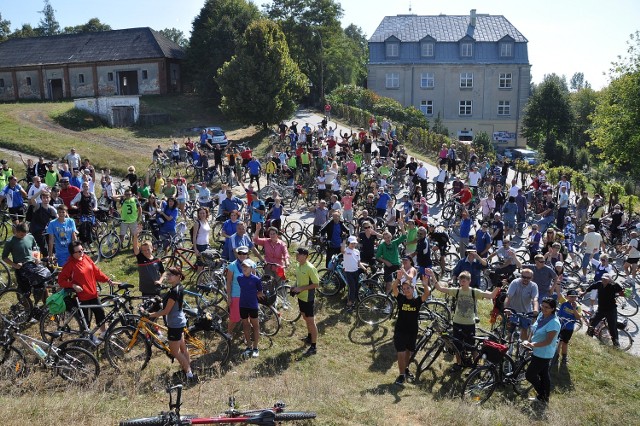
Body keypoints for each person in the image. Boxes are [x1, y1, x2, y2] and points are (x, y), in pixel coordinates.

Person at [433, 271, 500, 371]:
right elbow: (440, 288)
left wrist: (498, 286)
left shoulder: (474, 292)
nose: (462, 282)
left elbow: (491, 296)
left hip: (469, 324)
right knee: (457, 346)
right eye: (461, 280)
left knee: (472, 347)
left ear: (469, 281)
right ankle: (459, 364)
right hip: (457, 322)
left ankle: (476, 367)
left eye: (464, 280)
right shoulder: (457, 291)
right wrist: (432, 276)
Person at [145, 266, 196, 382]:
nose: (168, 276)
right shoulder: (177, 287)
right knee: (183, 348)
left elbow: (166, 311)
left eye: (171, 275)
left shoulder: (174, 292)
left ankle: (189, 374)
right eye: (168, 275)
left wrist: (149, 315)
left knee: (175, 352)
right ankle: (188, 369)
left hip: (175, 323)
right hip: (180, 320)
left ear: (178, 277)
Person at [58, 241, 115, 344]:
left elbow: (96, 272)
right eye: (78, 251)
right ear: (72, 253)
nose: (81, 253)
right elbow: (61, 281)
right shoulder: (69, 265)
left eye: (82, 250)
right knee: (85, 321)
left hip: (93, 293)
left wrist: (107, 279)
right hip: (81, 297)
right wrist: (73, 285)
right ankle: (87, 338)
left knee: (100, 313)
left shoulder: (86, 258)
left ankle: (103, 333)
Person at [392, 267, 432, 385]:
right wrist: (398, 280)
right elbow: (394, 288)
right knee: (401, 352)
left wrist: (425, 284)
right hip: (400, 330)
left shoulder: (417, 301)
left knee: (408, 351)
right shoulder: (401, 299)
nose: (406, 290)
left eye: (408, 288)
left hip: (412, 331)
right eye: (404, 289)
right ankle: (401, 375)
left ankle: (406, 368)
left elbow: (427, 293)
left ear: (412, 288)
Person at [522, 297, 561, 405]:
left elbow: (548, 341)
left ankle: (542, 394)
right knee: (544, 375)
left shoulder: (554, 323)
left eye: (547, 307)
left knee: (529, 375)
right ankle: (544, 397)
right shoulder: (541, 315)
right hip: (537, 350)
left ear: (553, 309)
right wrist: (528, 341)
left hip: (544, 353)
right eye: (542, 306)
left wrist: (532, 345)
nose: (543, 309)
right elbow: (533, 330)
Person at [2, 222, 49, 307]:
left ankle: (45, 307)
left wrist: (37, 258)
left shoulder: (30, 237)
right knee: (24, 291)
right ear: (16, 231)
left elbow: (35, 248)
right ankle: (28, 310)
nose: (23, 236)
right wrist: (14, 265)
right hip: (21, 269)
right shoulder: (10, 242)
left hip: (33, 265)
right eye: (21, 235)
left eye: (25, 235)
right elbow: (4, 257)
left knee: (42, 283)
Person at [583, 273, 624, 347]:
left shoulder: (613, 286)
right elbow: (591, 287)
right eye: (603, 279)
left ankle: (616, 344)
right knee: (592, 322)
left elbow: (620, 290)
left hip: (611, 310)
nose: (604, 280)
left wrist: (613, 281)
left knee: (612, 327)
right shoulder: (599, 284)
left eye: (606, 279)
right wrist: (583, 293)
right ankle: (588, 340)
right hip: (601, 310)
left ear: (609, 280)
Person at [292, 247, 319, 356]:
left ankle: (314, 346)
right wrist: (294, 286)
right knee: (304, 317)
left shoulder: (310, 268)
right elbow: (298, 280)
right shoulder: (298, 265)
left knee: (310, 321)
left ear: (305, 256)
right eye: (296, 254)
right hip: (300, 297)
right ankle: (309, 337)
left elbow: (316, 284)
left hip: (308, 298)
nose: (296, 256)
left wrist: (301, 288)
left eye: (298, 254)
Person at [237, 258, 263, 358]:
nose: (244, 268)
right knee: (245, 326)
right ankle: (248, 346)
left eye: (246, 267)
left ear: (251, 268)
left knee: (255, 326)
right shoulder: (239, 278)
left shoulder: (256, 279)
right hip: (242, 305)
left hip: (253, 306)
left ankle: (255, 348)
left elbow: (260, 292)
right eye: (243, 266)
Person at [504, 268, 539, 340]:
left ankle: (522, 347)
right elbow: (509, 296)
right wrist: (506, 308)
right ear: (521, 276)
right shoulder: (515, 283)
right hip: (513, 310)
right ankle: (508, 340)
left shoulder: (533, 286)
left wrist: (535, 309)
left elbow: (535, 299)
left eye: (528, 278)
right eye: (524, 277)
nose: (526, 279)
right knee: (511, 329)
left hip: (526, 311)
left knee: (525, 330)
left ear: (532, 278)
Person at [376, 220, 407, 294]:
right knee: (389, 284)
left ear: (391, 237)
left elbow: (404, 236)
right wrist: (386, 261)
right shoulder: (382, 245)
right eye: (385, 238)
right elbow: (377, 256)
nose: (387, 239)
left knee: (401, 283)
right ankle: (386, 299)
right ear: (383, 238)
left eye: (389, 237)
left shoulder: (394, 243)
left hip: (397, 265)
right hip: (388, 267)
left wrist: (402, 227)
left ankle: (399, 297)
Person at [555, 288, 582, 363]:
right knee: (557, 341)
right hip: (559, 325)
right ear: (567, 297)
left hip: (569, 328)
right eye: (571, 296)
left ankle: (564, 356)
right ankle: (555, 355)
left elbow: (578, 317)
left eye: (575, 297)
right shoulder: (564, 302)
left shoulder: (578, 306)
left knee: (565, 342)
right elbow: (558, 293)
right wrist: (557, 284)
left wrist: (574, 308)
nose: (573, 298)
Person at [342, 235, 365, 312]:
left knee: (355, 287)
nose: (353, 245)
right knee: (352, 288)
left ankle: (353, 302)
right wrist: (344, 240)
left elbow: (358, 263)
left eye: (354, 243)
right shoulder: (346, 250)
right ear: (349, 243)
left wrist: (364, 268)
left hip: (355, 271)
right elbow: (342, 250)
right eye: (351, 243)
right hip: (348, 272)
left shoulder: (357, 251)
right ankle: (349, 304)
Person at [119, 189, 142, 254]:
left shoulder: (135, 200)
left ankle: (134, 247)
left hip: (133, 221)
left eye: (129, 194)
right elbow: (113, 197)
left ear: (131, 194)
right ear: (125, 195)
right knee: (122, 236)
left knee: (134, 235)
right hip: (124, 221)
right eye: (126, 194)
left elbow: (140, 208)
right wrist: (122, 195)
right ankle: (119, 247)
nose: (128, 196)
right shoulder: (123, 200)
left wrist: (139, 218)